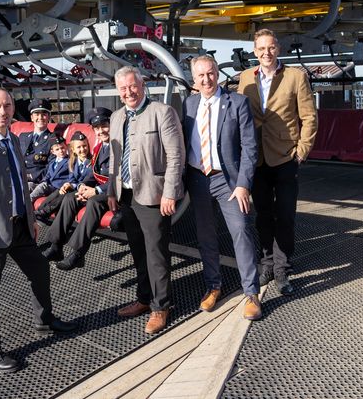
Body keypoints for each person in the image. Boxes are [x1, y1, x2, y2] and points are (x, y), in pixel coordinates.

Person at [0, 88, 77, 373]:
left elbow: (20, 182)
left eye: (7, 106)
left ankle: (44, 320)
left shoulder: (13, 139)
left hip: (20, 225)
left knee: (40, 271)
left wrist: (31, 217)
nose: (3, 111)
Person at [238, 29, 318, 294]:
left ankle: (283, 270)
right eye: (261, 48)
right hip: (256, 157)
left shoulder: (296, 77)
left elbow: (309, 117)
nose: (266, 53)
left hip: (285, 156)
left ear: (278, 49)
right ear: (254, 51)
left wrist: (302, 150)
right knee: (262, 215)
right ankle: (268, 264)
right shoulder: (245, 78)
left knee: (284, 216)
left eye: (270, 47)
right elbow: (241, 118)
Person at [183, 56, 262, 321]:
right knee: (206, 235)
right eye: (201, 75)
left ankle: (251, 292)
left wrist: (243, 185)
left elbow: (250, 147)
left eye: (211, 73)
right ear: (194, 79)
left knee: (240, 231)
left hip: (228, 181)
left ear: (218, 73)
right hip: (198, 178)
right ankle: (213, 286)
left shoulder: (237, 102)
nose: (206, 80)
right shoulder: (189, 104)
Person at [107, 66, 185, 334]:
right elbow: (115, 159)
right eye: (123, 89)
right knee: (138, 251)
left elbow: (176, 157)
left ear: (142, 85)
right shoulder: (117, 117)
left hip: (154, 196)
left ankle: (160, 306)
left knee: (156, 254)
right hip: (126, 195)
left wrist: (170, 192)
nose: (129, 92)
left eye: (132, 86)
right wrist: (110, 191)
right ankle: (143, 298)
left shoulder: (162, 113)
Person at [41, 107, 112, 271]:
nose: (100, 131)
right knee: (70, 197)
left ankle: (78, 253)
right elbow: (93, 174)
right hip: (100, 188)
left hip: (114, 192)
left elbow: (120, 178)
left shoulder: (119, 145)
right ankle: (56, 245)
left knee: (94, 202)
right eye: (97, 128)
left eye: (104, 126)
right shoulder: (100, 148)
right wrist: (81, 188)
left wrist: (96, 191)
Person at [35, 131, 92, 216]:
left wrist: (71, 185)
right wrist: (68, 184)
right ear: (73, 149)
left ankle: (45, 212)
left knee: (65, 193)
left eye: (85, 146)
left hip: (83, 190)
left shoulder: (91, 161)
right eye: (79, 147)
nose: (82, 149)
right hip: (71, 187)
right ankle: (39, 212)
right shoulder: (73, 161)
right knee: (60, 191)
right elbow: (72, 177)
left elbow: (89, 180)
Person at [18, 98, 54, 190]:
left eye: (44, 114)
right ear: (32, 117)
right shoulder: (23, 137)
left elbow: (51, 167)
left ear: (49, 117)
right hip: (19, 177)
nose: (40, 118)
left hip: (36, 182)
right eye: (37, 114)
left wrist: (30, 177)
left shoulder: (53, 139)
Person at [29, 136, 70, 201]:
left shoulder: (69, 161)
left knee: (42, 187)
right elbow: (48, 175)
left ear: (66, 147)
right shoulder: (53, 162)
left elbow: (71, 176)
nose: (61, 151)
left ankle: (26, 204)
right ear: (53, 152)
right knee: (30, 185)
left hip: (57, 187)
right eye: (57, 149)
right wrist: (43, 181)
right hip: (48, 185)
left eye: (62, 148)